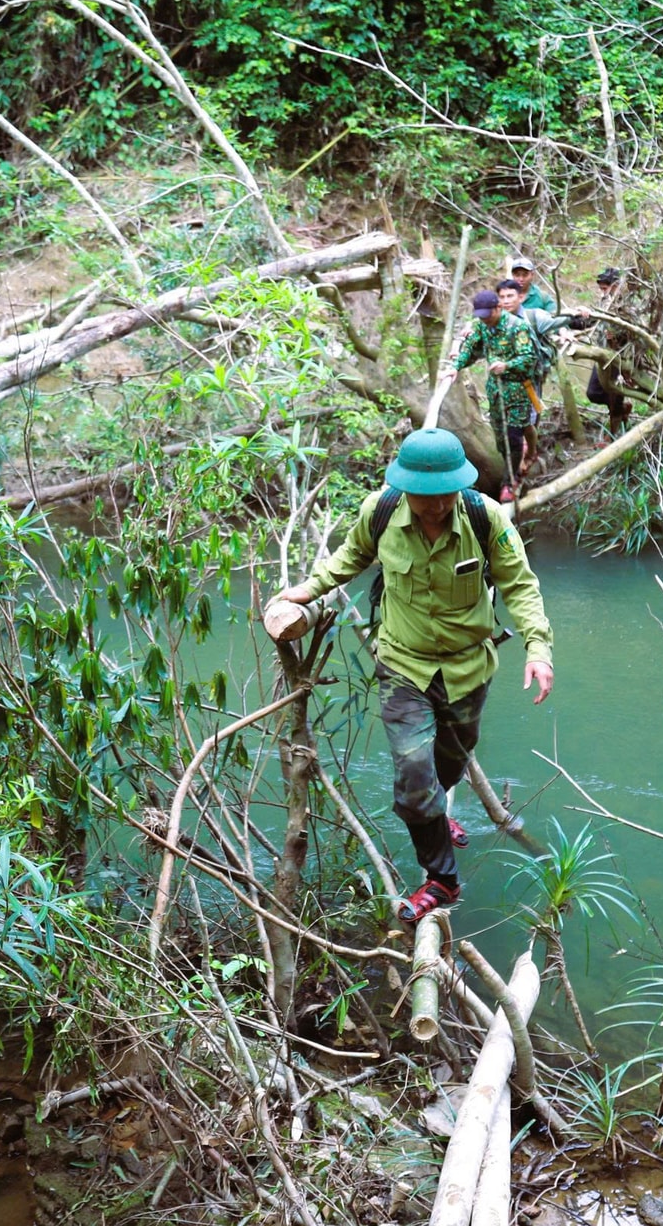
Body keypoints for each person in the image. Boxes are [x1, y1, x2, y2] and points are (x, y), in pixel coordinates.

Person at [275, 429, 555, 922]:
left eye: (445, 495)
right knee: (412, 774)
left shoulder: (485, 517)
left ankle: (437, 817)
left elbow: (520, 584)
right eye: (425, 498)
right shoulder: (380, 511)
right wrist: (309, 589)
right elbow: (351, 557)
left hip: (469, 667)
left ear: (459, 486)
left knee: (451, 759)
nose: (435, 507)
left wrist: (539, 649)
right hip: (404, 665)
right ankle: (442, 880)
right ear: (406, 489)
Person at [448, 288, 538, 501]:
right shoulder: (481, 325)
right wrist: (455, 366)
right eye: (481, 317)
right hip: (496, 393)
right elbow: (471, 348)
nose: (485, 320)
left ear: (498, 308)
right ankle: (514, 462)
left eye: (488, 315)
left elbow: (528, 358)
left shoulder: (518, 327)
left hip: (518, 391)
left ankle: (510, 481)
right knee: (499, 436)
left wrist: (506, 365)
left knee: (514, 437)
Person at [498, 279, 591, 464]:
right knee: (509, 419)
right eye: (502, 297)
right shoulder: (497, 320)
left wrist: (579, 315)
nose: (506, 301)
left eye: (510, 296)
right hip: (505, 380)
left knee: (530, 418)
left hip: (530, 378)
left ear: (521, 297)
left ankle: (530, 452)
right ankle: (519, 451)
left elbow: (560, 321)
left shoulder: (534, 317)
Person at [584, 267, 643, 433]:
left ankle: (614, 435)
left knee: (615, 395)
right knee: (593, 393)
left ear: (616, 285)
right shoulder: (605, 301)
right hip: (602, 355)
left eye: (605, 288)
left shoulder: (627, 305)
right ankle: (623, 409)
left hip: (620, 357)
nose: (603, 292)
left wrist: (617, 335)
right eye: (601, 289)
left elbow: (636, 331)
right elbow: (595, 323)